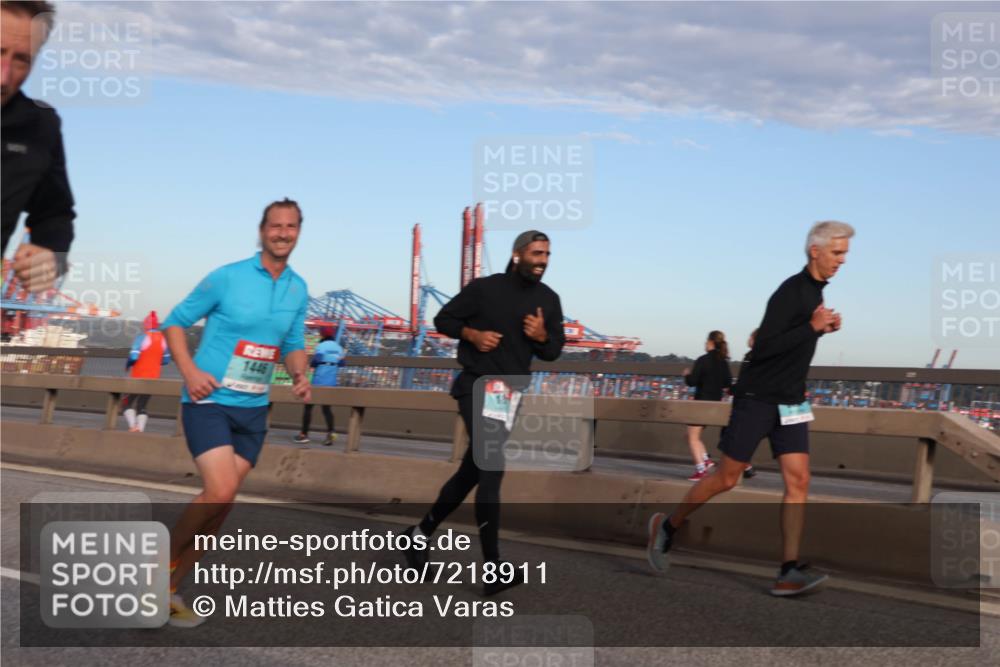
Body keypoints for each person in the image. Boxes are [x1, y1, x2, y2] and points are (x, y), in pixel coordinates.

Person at [648, 221, 853, 597]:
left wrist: (819, 329)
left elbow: (793, 342)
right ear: (815, 251)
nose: (843, 260)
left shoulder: (815, 296)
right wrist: (811, 327)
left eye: (845, 253)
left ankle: (788, 570)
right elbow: (762, 349)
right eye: (837, 252)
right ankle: (668, 526)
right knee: (727, 478)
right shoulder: (791, 292)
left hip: (791, 402)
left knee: (799, 481)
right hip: (758, 398)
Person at [161, 198, 311, 626]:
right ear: (262, 230)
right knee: (221, 491)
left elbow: (293, 345)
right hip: (208, 402)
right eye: (275, 226)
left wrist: (299, 373)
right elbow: (174, 322)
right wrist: (189, 372)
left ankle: (168, 590)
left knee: (220, 510)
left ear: (299, 232)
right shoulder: (227, 277)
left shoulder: (298, 288)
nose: (283, 233)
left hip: (253, 411)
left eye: (291, 226)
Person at [403, 230, 565, 596]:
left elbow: (554, 350)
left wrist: (541, 336)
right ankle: (494, 567)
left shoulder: (548, 300)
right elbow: (443, 320)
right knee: (491, 467)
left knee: (471, 471)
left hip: (509, 396)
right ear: (518, 254)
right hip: (477, 385)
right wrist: (473, 336)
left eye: (547, 254)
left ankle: (419, 535)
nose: (542, 260)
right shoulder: (485, 288)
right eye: (537, 253)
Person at [1, 1, 75, 293]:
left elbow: (54, 213)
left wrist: (51, 254)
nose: (4, 77)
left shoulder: (40, 127)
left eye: (21, 59)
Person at [681, 330, 731, 481]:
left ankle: (701, 469)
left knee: (692, 438)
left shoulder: (703, 360)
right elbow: (727, 383)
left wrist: (687, 375)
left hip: (701, 402)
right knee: (690, 435)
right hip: (716, 403)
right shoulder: (723, 362)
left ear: (710, 342)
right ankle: (706, 461)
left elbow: (692, 381)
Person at [293, 325, 345, 446]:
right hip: (331, 382)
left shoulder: (321, 346)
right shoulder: (339, 347)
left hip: (319, 380)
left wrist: (313, 365)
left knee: (308, 407)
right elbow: (342, 363)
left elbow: (316, 360)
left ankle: (304, 435)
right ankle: (331, 433)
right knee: (326, 409)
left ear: (322, 335)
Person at [122, 310, 171, 433]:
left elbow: (133, 356)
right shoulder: (163, 339)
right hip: (154, 377)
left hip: (138, 376)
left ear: (146, 324)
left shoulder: (142, 337)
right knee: (142, 405)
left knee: (126, 402)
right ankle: (141, 429)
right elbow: (166, 360)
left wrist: (128, 365)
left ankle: (133, 426)